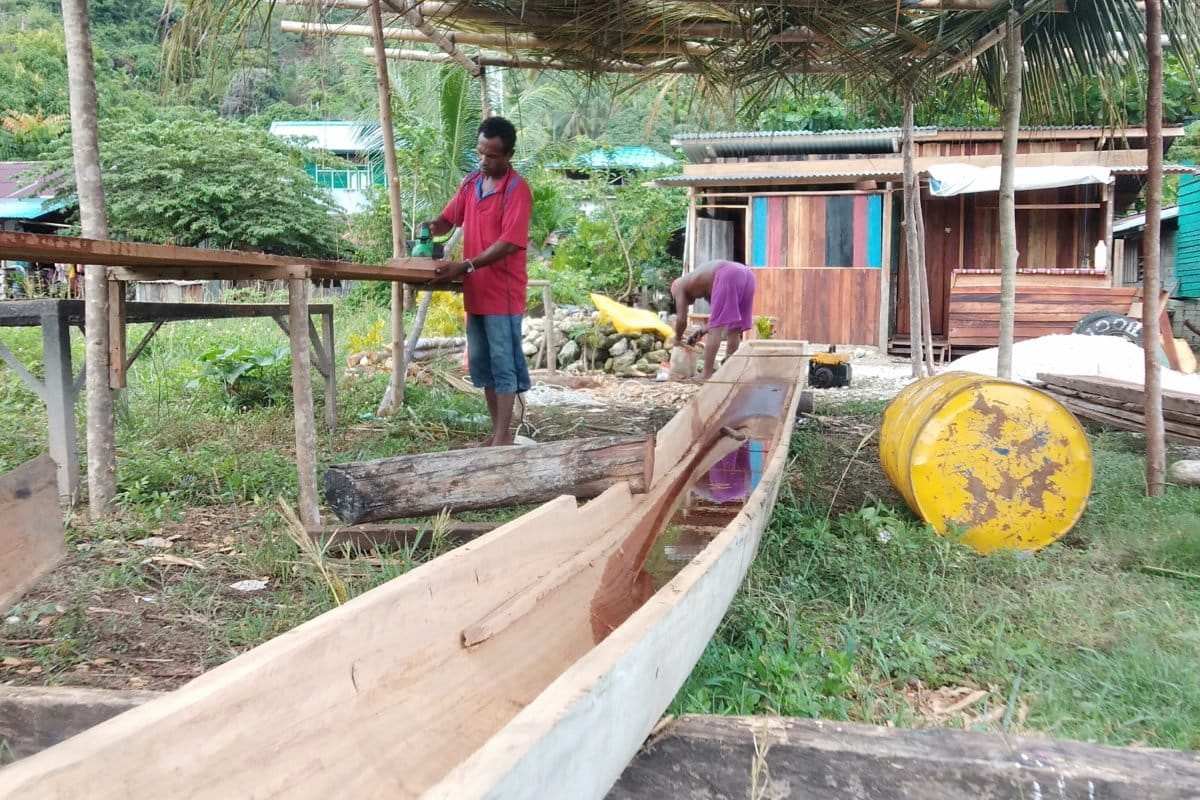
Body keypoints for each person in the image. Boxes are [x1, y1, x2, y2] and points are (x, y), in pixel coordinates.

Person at [425, 116, 533, 446]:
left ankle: (503, 438)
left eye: (493, 156)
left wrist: (466, 265)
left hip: (503, 293)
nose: (485, 161)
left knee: (504, 365)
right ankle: (497, 433)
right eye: (481, 153)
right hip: (476, 293)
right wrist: (430, 228)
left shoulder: (517, 190)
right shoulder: (472, 183)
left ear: (509, 154)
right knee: (483, 365)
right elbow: (448, 219)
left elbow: (509, 242)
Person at [670, 259, 757, 380]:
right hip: (748, 275)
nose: (681, 302)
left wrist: (677, 339)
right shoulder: (703, 283)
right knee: (735, 328)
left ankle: (706, 374)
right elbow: (720, 318)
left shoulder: (679, 286)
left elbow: (681, 320)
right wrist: (704, 329)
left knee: (715, 331)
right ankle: (729, 370)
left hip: (728, 274)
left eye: (676, 299)